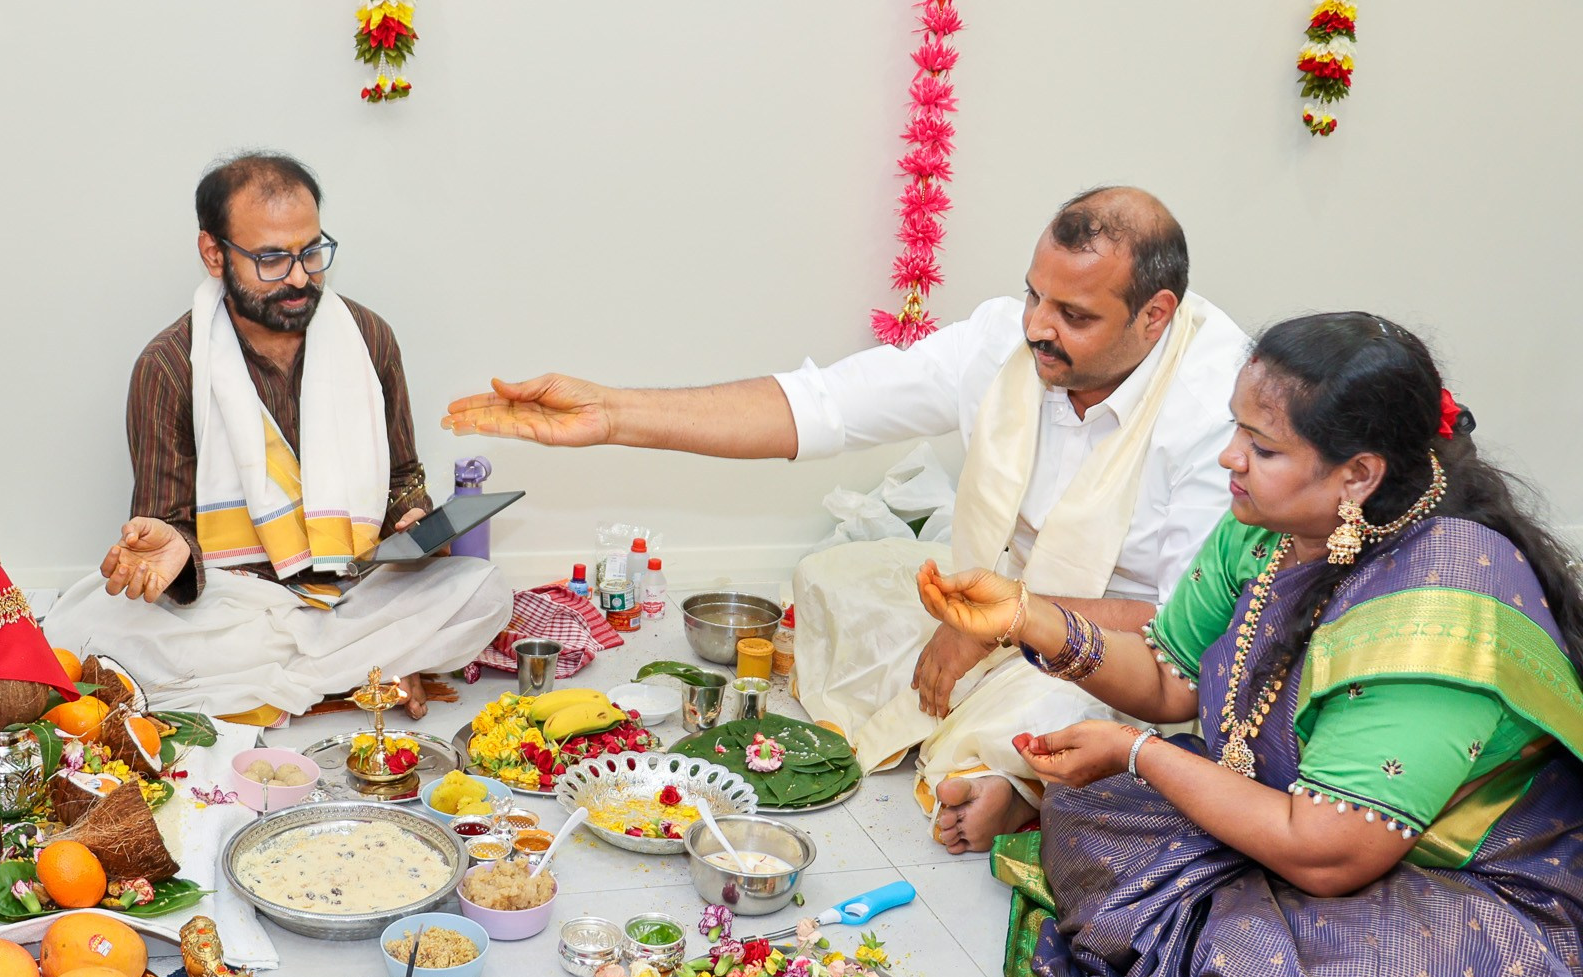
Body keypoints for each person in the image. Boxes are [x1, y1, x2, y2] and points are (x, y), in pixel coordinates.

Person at [916, 313, 1583, 977]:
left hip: (1474, 899)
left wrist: (1141, 753)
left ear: (1357, 475)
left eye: (1261, 446)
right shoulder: (1272, 530)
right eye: (1236, 428)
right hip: (1306, 824)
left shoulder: (1441, 605)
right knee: (1091, 811)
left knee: (1270, 973)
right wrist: (1027, 618)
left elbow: (1328, 855)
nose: (1229, 457)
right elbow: (1170, 677)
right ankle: (1200, 951)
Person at [443, 187, 1249, 851]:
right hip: (988, 597)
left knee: (1059, 714)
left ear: (1155, 315)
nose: (1038, 326)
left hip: (1116, 647)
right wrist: (615, 414)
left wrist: (1009, 624)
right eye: (1035, 295)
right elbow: (823, 405)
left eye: (1074, 315)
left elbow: (1188, 628)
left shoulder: (1215, 408)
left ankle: (1005, 784)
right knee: (831, 578)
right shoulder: (1004, 343)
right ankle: (991, 751)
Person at [46, 152, 510, 722]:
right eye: (271, 259)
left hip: (353, 588)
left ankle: (302, 679)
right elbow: (168, 531)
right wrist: (171, 547)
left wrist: (412, 519)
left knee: (484, 591)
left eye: (311, 252)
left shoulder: (369, 338)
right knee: (87, 629)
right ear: (214, 253)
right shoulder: (168, 367)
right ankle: (363, 671)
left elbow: (401, 478)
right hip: (233, 604)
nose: (298, 278)